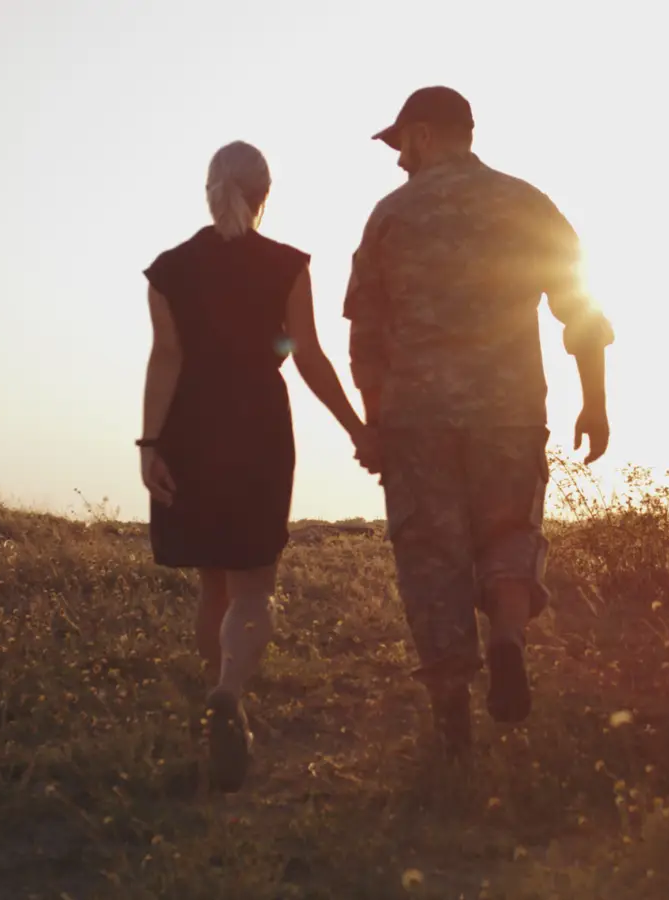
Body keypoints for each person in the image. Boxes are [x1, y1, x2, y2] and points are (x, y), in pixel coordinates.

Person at [345, 87, 615, 758]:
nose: (398, 158)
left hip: (416, 422)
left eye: (401, 142)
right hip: (510, 412)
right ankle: (508, 640)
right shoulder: (528, 204)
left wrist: (373, 423)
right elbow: (581, 311)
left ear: (428, 135)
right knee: (508, 532)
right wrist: (595, 402)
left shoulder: (390, 217)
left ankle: (452, 719)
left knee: (430, 556)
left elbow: (366, 335)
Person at [139, 140, 373, 792]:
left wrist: (150, 446)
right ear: (264, 194)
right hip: (257, 428)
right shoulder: (286, 265)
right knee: (252, 587)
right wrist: (357, 428)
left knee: (212, 586)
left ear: (209, 189)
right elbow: (307, 356)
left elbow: (167, 359)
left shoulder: (169, 269)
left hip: (188, 429)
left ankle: (223, 702)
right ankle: (229, 698)